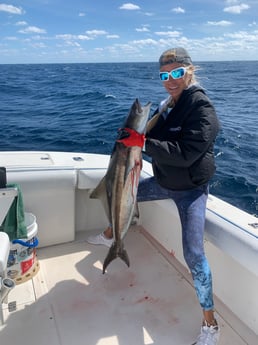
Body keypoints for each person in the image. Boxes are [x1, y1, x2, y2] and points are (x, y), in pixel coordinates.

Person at [87, 47, 220, 345]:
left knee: (194, 255)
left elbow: (186, 154)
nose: (170, 80)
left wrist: (143, 142)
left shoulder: (203, 110)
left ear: (189, 70)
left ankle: (210, 325)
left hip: (190, 192)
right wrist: (130, 137)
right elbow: (140, 135)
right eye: (164, 75)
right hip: (161, 182)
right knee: (118, 193)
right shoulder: (166, 105)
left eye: (176, 73)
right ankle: (113, 236)